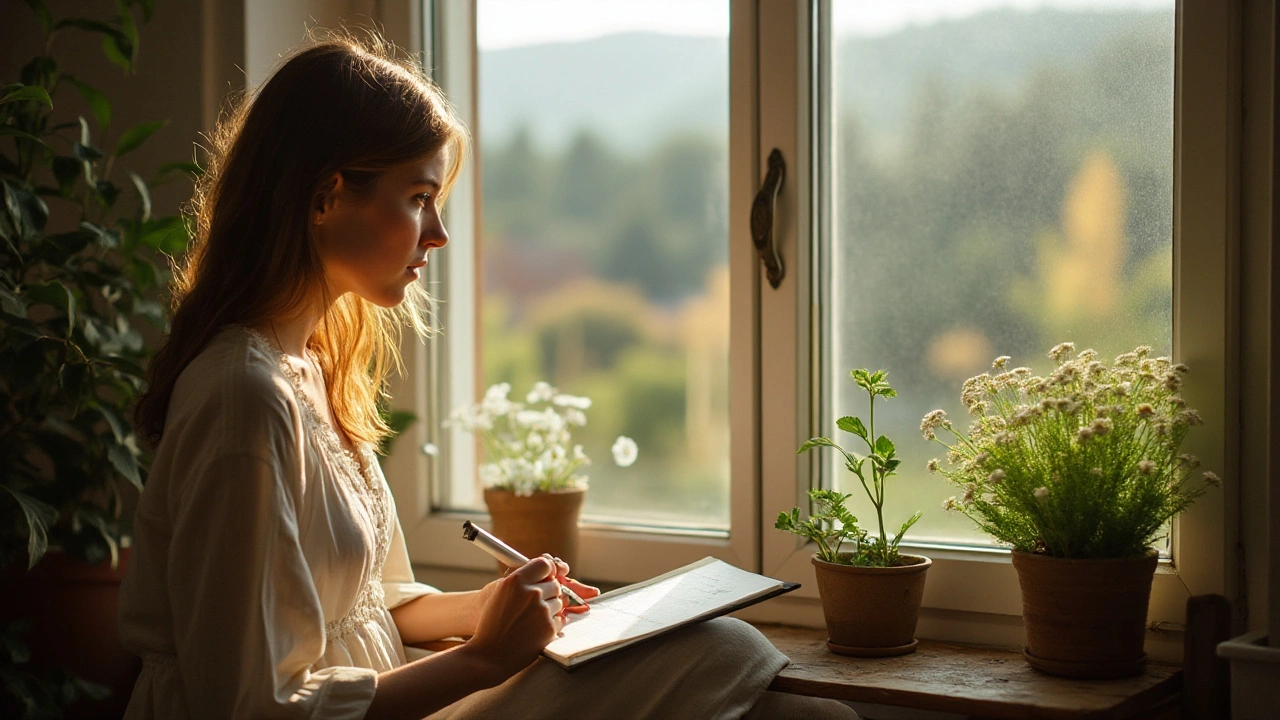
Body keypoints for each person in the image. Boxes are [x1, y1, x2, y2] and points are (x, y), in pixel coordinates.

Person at [121, 32, 859, 720]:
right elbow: (248, 707)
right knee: (734, 662)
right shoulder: (243, 400)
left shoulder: (309, 369)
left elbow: (368, 605)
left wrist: (492, 608)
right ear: (326, 196)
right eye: (418, 199)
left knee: (751, 676)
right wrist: (481, 660)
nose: (438, 233)